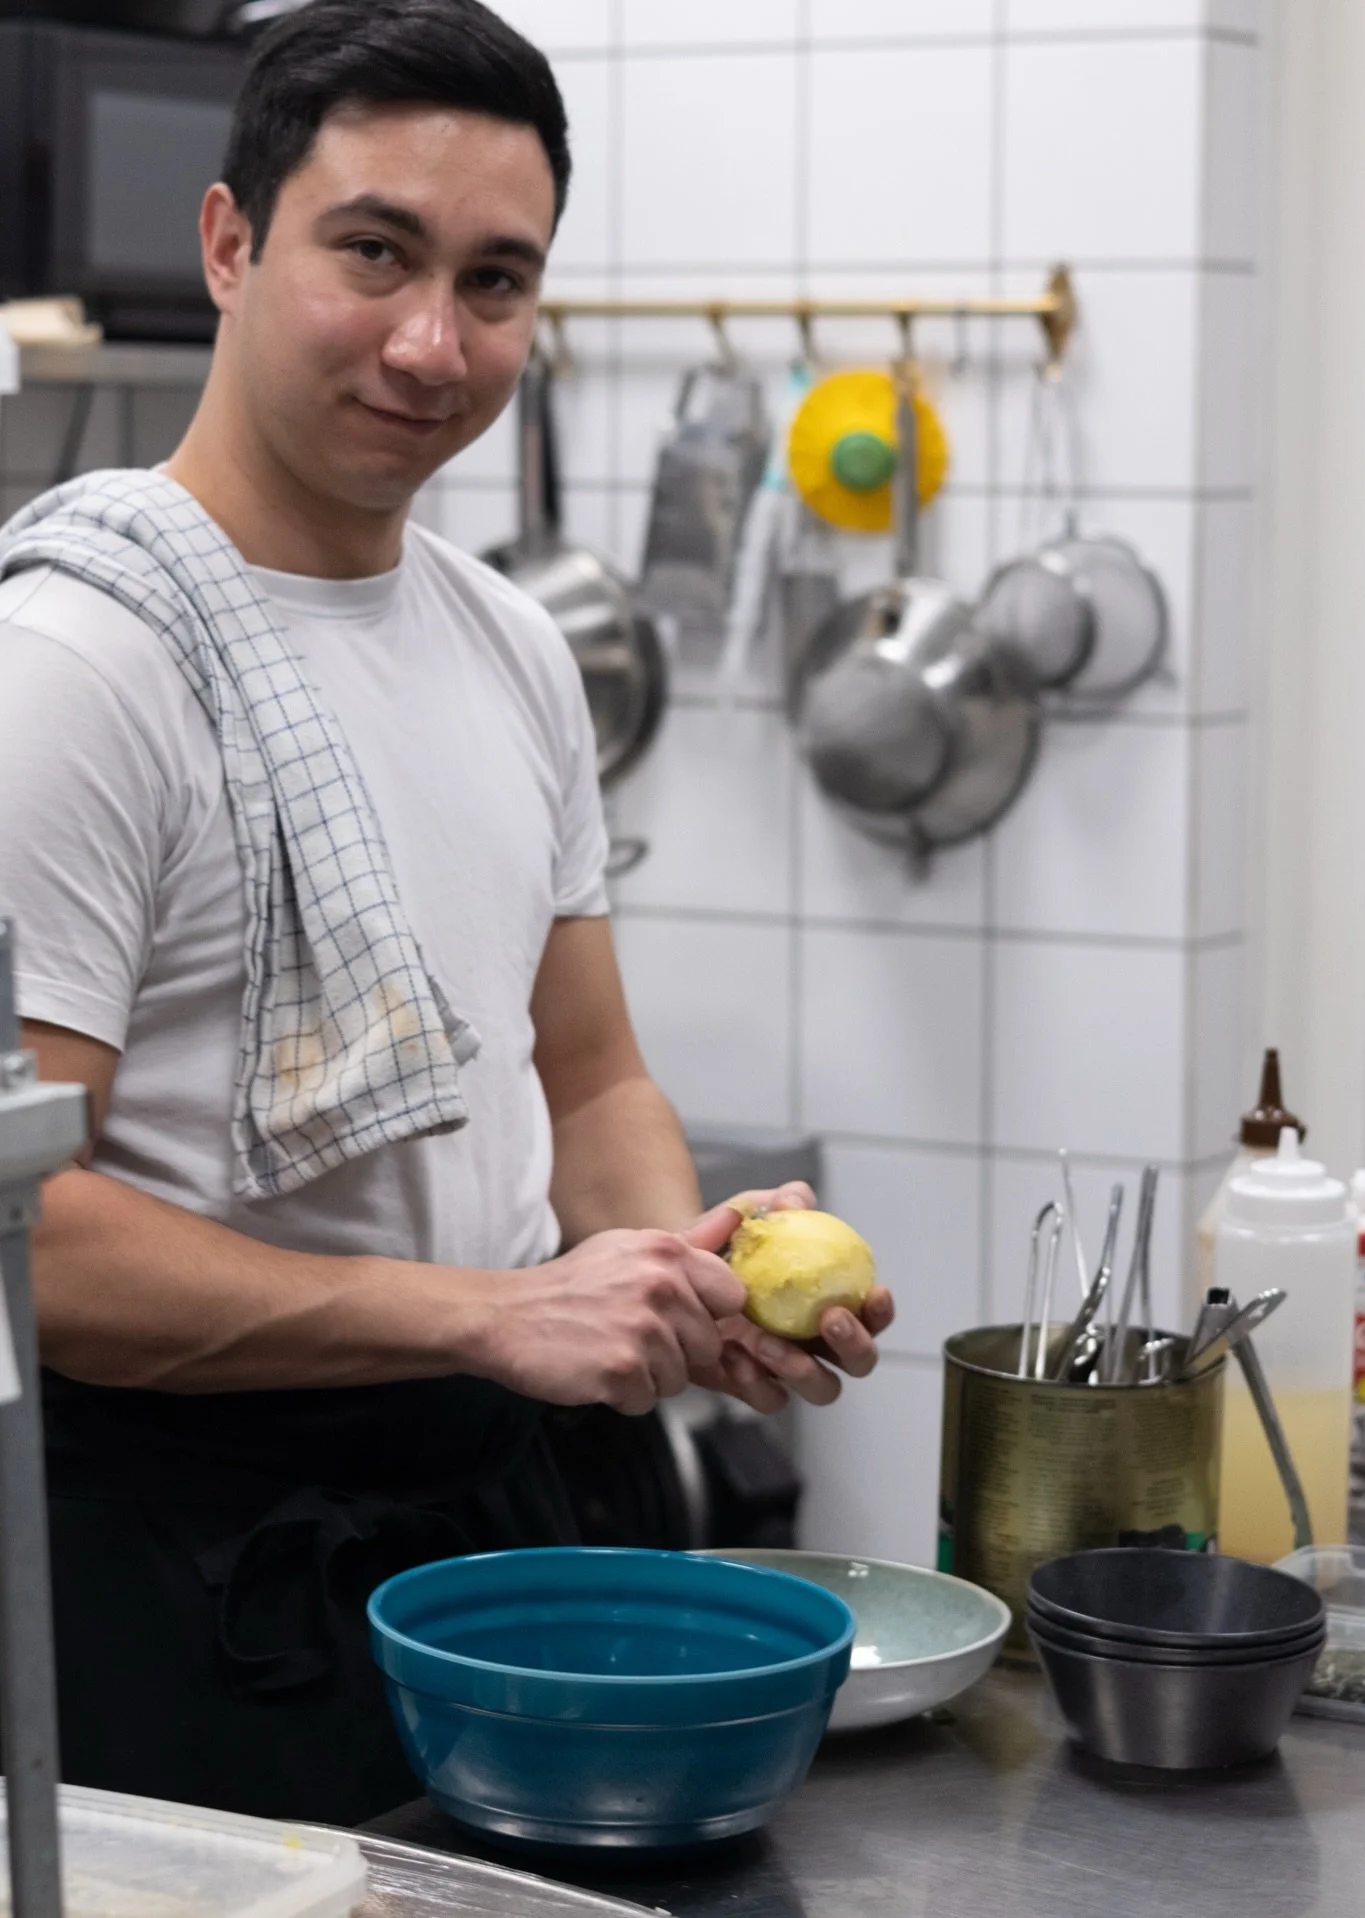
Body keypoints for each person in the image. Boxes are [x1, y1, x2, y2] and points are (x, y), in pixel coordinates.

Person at [0, 0, 892, 1827]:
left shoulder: (511, 645)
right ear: (233, 241)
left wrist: (679, 1274)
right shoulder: (73, 669)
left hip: (504, 1508)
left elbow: (591, 1082)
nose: (432, 342)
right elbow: (33, 1243)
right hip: (194, 1563)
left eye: (495, 282)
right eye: (374, 252)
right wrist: (485, 1313)